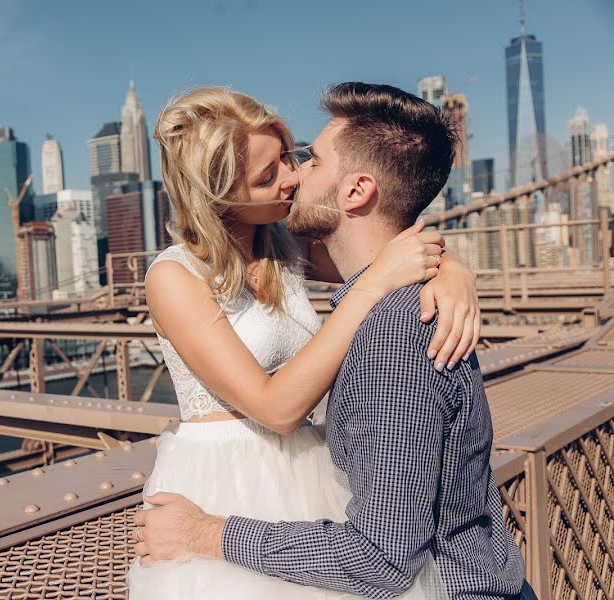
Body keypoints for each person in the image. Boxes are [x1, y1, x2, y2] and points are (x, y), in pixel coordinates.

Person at [133, 83, 536, 600]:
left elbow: (382, 234)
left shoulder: (284, 242)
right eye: (267, 174)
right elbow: (276, 406)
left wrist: (451, 269)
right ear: (219, 193)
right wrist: (374, 285)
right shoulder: (175, 276)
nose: (292, 176)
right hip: (227, 481)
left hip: (312, 472)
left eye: (291, 157)